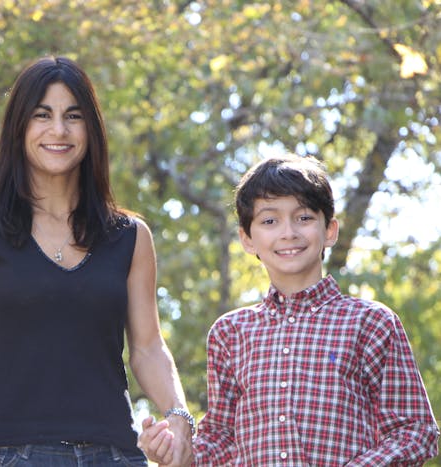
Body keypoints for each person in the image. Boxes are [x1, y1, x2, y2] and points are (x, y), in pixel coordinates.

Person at [0, 55, 194, 466]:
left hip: (115, 455)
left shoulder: (130, 236)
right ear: (19, 127)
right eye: (42, 115)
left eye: (73, 116)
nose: (59, 130)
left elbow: (148, 347)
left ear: (91, 129)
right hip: (11, 455)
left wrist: (179, 417)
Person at [148, 154, 439, 465]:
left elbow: (416, 431)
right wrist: (180, 453)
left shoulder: (371, 322)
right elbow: (222, 439)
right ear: (247, 239)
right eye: (269, 221)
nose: (288, 232)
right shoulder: (230, 332)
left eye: (304, 218)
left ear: (330, 230)